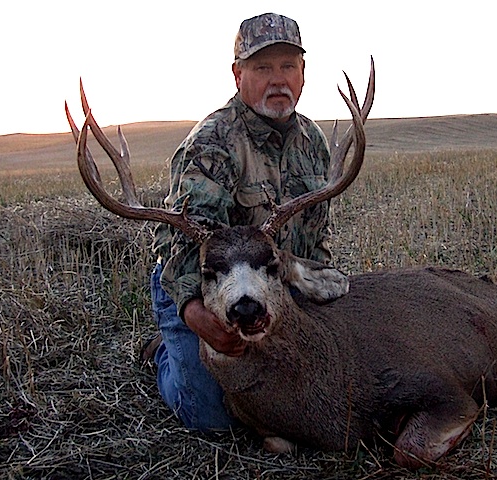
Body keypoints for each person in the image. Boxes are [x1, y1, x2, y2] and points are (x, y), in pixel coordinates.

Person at [145, 12, 334, 431]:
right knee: (214, 418)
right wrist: (196, 316)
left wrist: (318, 302)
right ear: (238, 75)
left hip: (275, 289)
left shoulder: (314, 142)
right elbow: (180, 248)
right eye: (263, 68)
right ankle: (164, 352)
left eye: (288, 66)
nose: (278, 79)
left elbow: (315, 240)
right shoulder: (212, 143)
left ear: (303, 73)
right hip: (200, 289)